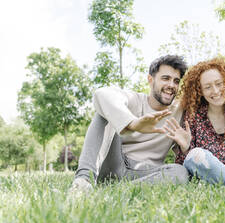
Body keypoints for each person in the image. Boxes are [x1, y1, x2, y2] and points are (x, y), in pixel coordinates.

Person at [71, 55, 188, 192]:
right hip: (114, 163)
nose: (171, 85)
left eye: (176, 81)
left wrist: (186, 148)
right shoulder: (134, 99)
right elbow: (101, 94)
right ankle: (83, 181)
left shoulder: (180, 111)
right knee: (104, 111)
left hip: (146, 173)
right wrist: (133, 124)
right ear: (150, 80)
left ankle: (112, 192)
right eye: (165, 78)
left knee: (180, 173)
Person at [163, 58, 225, 186]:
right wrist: (185, 148)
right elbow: (188, 163)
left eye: (219, 84)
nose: (215, 91)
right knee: (196, 154)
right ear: (200, 91)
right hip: (203, 178)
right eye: (207, 87)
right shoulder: (193, 115)